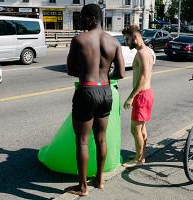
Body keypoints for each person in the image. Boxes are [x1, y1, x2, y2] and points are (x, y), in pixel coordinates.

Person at [65, 4, 125, 196]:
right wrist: (105, 75)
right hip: (106, 91)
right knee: (101, 138)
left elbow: (71, 70)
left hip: (87, 91)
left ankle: (83, 187)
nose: (80, 21)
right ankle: (100, 180)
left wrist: (86, 73)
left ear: (91, 18)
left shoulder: (79, 40)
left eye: (82, 17)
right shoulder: (114, 42)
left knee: (82, 141)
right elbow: (121, 73)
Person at [122, 25, 156, 168]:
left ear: (135, 38)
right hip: (146, 94)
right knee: (141, 128)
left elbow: (143, 77)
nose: (126, 42)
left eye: (127, 39)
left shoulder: (142, 53)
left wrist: (131, 97)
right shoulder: (147, 50)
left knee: (135, 129)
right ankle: (141, 155)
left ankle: (138, 159)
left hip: (142, 95)